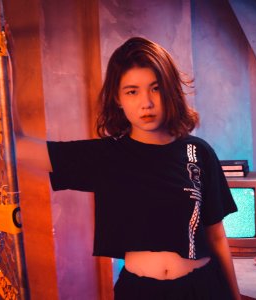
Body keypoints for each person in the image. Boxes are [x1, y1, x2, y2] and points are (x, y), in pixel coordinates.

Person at [47, 37, 241, 300]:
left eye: (156, 88)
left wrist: (235, 297)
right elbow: (21, 150)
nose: (146, 103)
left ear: (170, 91)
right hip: (139, 292)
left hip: (202, 289)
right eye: (132, 91)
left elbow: (216, 236)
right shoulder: (107, 155)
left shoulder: (198, 152)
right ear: (117, 98)